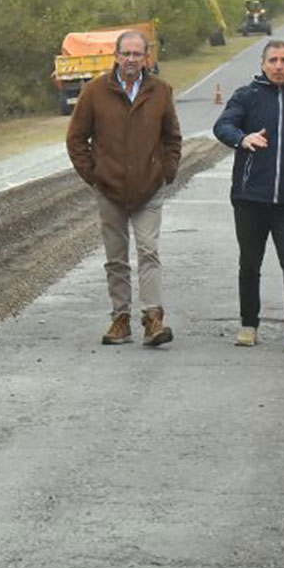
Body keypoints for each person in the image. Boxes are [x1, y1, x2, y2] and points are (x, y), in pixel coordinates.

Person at [66, 29, 183, 346]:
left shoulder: (161, 91)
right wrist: (94, 175)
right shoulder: (94, 92)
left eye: (137, 54)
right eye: (126, 54)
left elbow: (172, 137)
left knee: (148, 251)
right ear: (116, 56)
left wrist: (166, 172)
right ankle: (120, 319)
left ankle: (153, 319)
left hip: (149, 188)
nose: (131, 60)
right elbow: (76, 139)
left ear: (147, 57)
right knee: (116, 258)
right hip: (110, 189)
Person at [213, 40, 284, 352]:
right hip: (249, 198)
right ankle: (249, 325)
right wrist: (242, 138)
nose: (279, 66)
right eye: (273, 60)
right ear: (263, 64)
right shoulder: (246, 96)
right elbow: (222, 125)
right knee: (250, 264)